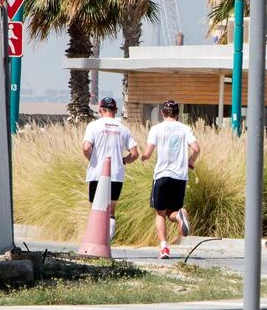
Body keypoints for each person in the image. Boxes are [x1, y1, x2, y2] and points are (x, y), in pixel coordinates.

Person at [141, 99, 200, 259]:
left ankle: (164, 248)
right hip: (180, 177)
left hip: (161, 175)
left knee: (160, 213)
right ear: (177, 114)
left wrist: (143, 157)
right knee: (173, 212)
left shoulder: (156, 129)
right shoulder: (185, 128)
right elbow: (196, 148)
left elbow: (148, 152)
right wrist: (190, 161)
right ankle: (181, 214)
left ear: (162, 113)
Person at [82, 97, 138, 240]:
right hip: (116, 174)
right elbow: (135, 154)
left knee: (96, 210)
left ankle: (96, 241)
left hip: (97, 173)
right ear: (116, 110)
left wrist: (92, 159)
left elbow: (86, 147)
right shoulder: (124, 129)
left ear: (100, 110)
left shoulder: (93, 126)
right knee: (111, 211)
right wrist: (123, 161)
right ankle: (108, 239)